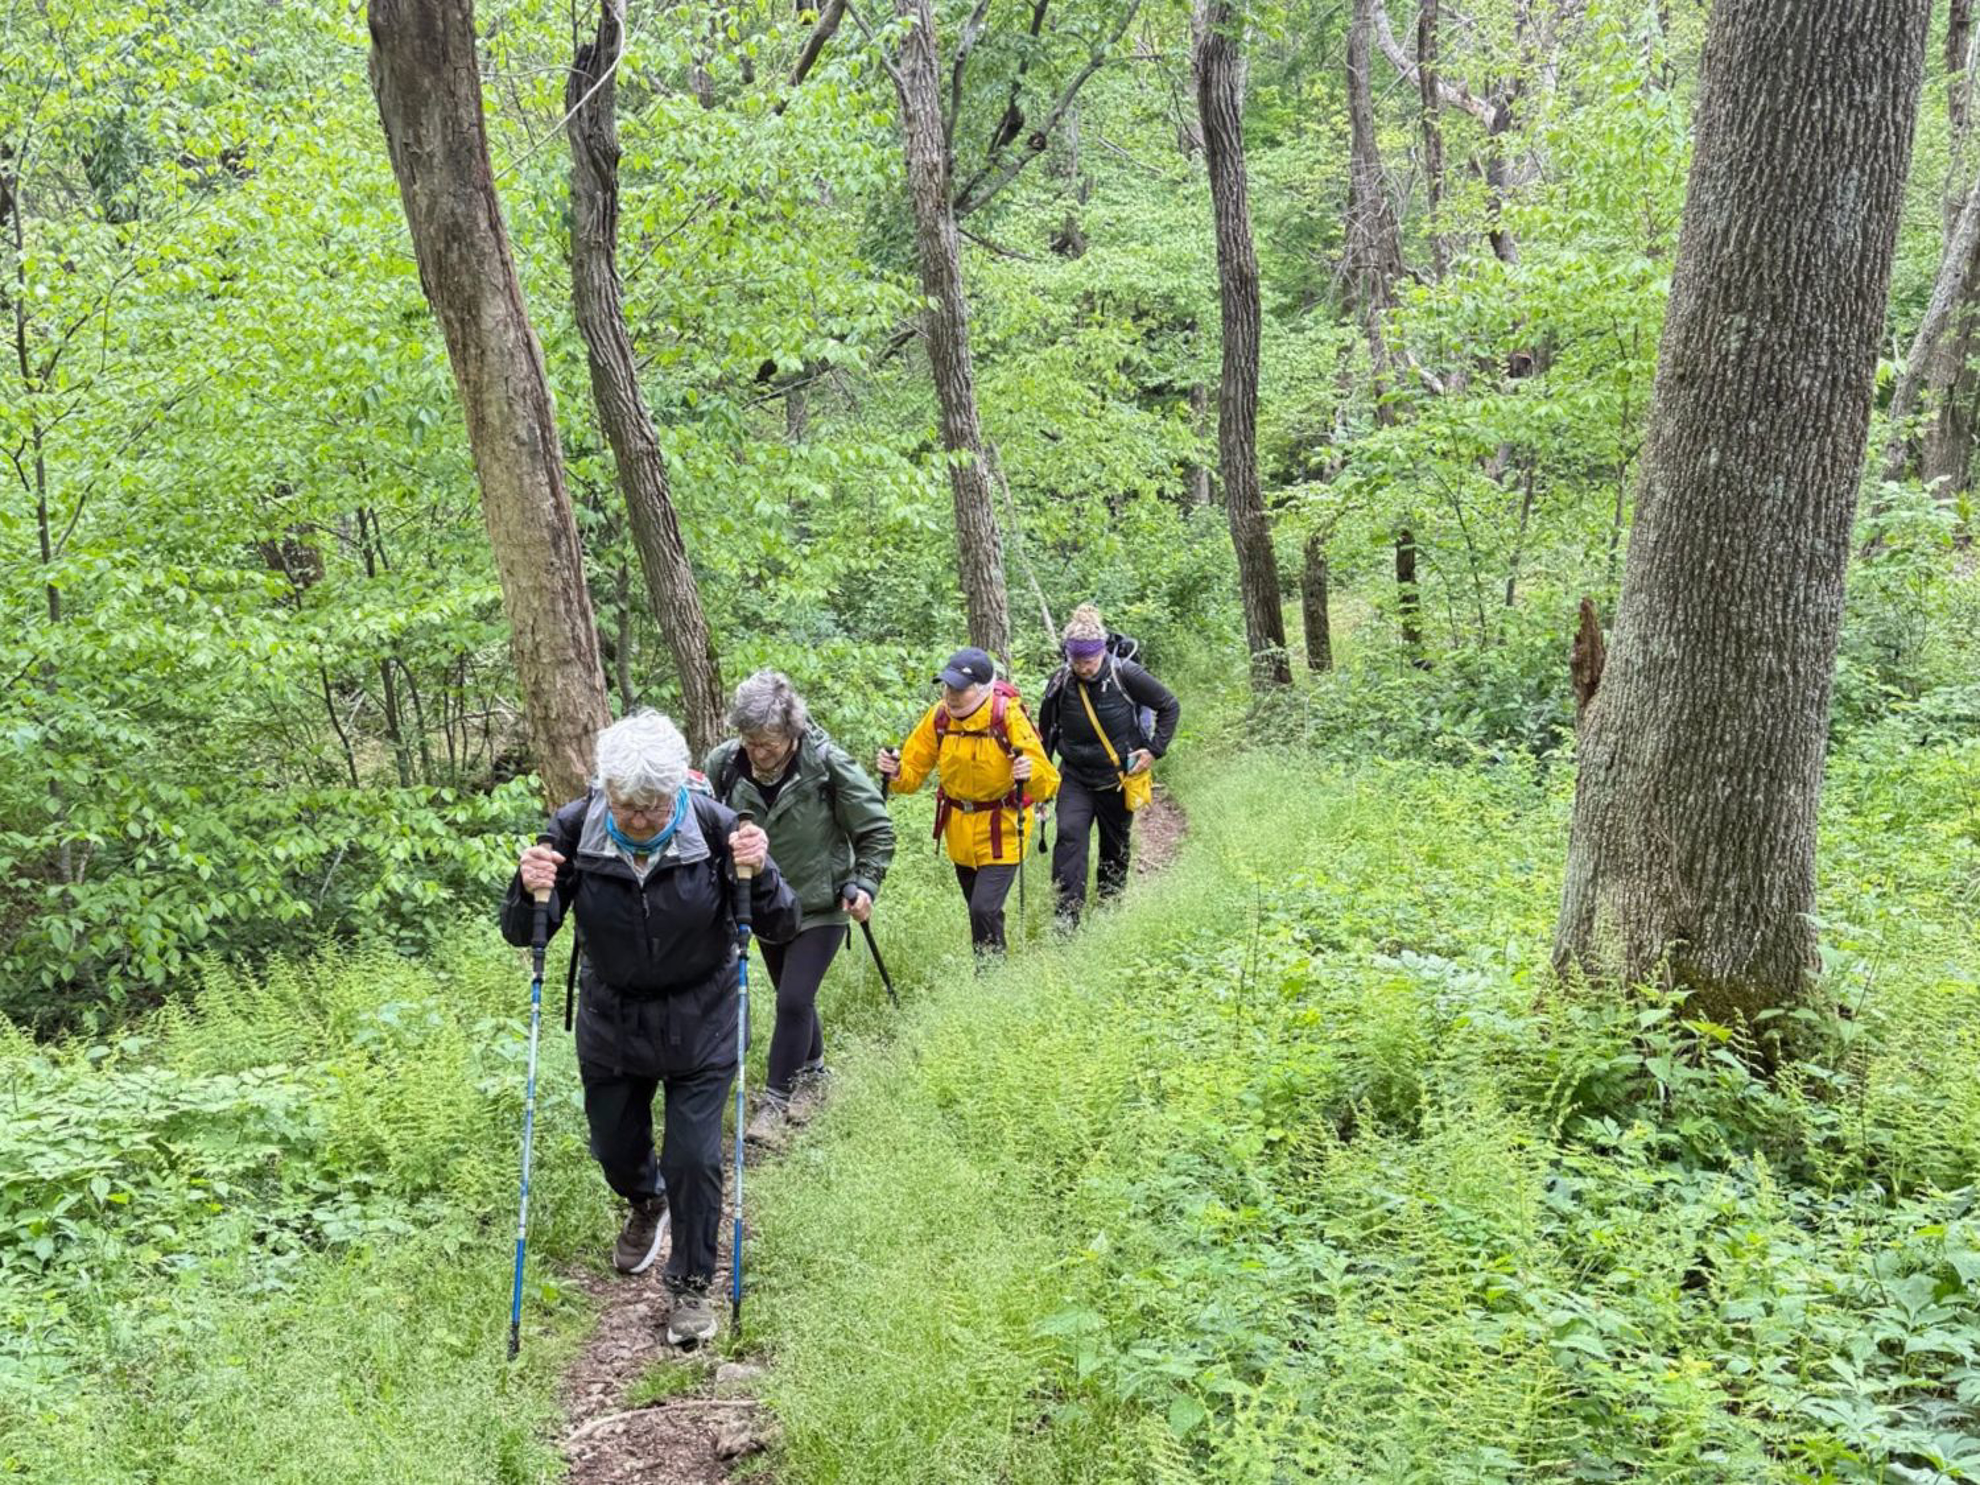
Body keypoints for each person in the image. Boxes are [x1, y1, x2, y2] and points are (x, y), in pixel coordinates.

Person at [503, 711, 799, 1347]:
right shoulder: (574, 829)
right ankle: (645, 1200)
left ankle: (691, 1287)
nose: (639, 817)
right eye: (627, 805)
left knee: (694, 1157)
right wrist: (528, 885)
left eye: (654, 805)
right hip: (612, 1017)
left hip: (704, 1015)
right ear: (605, 791)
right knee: (614, 1146)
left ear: (678, 793)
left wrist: (762, 869)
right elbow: (526, 925)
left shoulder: (719, 830)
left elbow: (780, 923)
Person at [703, 671, 895, 1147]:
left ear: (791, 732)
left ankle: (774, 1101)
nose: (757, 753)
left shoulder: (828, 765)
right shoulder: (724, 766)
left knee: (791, 1001)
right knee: (797, 999)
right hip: (764, 905)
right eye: (748, 741)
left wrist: (865, 883)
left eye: (767, 743)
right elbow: (702, 827)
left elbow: (876, 830)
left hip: (821, 904)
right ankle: (813, 1074)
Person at [876, 647, 1059, 956]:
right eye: (947, 686)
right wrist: (894, 771)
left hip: (1003, 828)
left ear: (984, 689)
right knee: (980, 912)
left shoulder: (1007, 715)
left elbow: (1048, 783)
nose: (951, 694)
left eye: (960, 688)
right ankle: (991, 976)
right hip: (959, 832)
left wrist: (1029, 773)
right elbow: (911, 775)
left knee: (983, 910)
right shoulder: (939, 718)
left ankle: (989, 978)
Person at [1036, 604, 1181, 928]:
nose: (1084, 668)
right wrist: (1039, 787)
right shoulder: (1060, 681)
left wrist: (1154, 751)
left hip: (1117, 777)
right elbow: (1045, 734)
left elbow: (1169, 705)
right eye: (1077, 661)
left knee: (1114, 846)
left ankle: (1109, 910)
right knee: (1069, 837)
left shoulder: (1125, 674)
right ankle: (1066, 918)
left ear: (1101, 653)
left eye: (1089, 660)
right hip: (1074, 776)